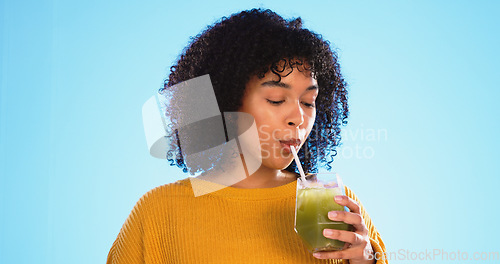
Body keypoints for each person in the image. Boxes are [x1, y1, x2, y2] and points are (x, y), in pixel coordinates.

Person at [107, 8, 387, 264]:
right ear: (226, 102)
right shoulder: (157, 213)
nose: (298, 118)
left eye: (308, 102)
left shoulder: (337, 207)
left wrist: (366, 261)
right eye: (277, 99)